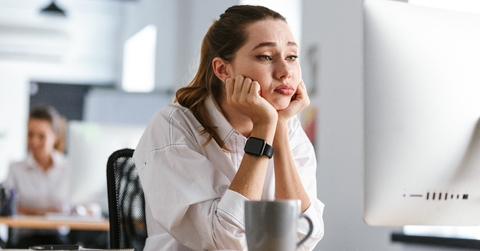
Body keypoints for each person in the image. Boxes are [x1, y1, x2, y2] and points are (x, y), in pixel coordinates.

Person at [133, 5, 325, 250]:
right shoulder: (173, 127)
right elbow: (224, 242)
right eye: (265, 56)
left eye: (291, 57)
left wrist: (279, 129)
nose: (285, 72)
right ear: (223, 70)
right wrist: (264, 129)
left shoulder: (289, 129)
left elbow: (304, 237)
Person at [2, 105, 70, 247]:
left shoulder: (68, 168)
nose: (34, 141)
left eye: (41, 136)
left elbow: (78, 206)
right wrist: (47, 213)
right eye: (30, 134)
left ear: (55, 136)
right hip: (25, 239)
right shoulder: (16, 169)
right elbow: (6, 206)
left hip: (59, 239)